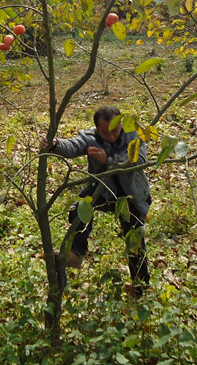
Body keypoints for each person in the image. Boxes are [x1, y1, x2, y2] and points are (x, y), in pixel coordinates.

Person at [40, 105, 151, 296]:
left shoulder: (133, 134)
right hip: (104, 192)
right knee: (81, 205)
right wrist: (54, 144)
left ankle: (140, 288)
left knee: (135, 243)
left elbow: (139, 160)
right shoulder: (90, 138)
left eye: (115, 131)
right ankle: (76, 252)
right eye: (105, 132)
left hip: (132, 196)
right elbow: (73, 146)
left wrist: (108, 159)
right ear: (97, 129)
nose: (111, 136)